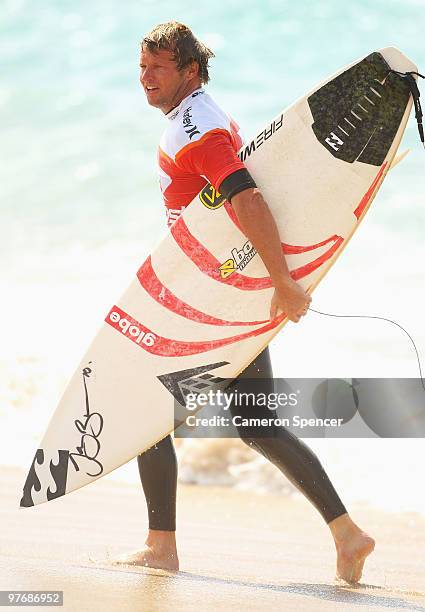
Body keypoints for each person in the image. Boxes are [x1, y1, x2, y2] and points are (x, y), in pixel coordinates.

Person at [116, 21, 375, 583]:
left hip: (212, 299)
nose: (145, 79)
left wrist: (284, 281)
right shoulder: (198, 116)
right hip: (224, 290)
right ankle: (348, 535)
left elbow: (246, 197)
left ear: (190, 70)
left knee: (146, 412)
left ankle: (162, 548)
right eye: (142, 68)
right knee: (259, 424)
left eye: (158, 68)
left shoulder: (197, 126)